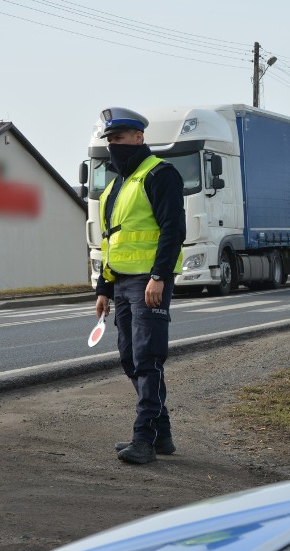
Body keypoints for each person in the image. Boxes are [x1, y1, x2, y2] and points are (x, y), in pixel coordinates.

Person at [94, 107, 186, 464]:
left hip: (150, 281)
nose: (115, 145)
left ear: (138, 137)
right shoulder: (115, 186)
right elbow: (110, 241)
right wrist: (103, 288)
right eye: (111, 140)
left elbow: (172, 230)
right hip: (121, 284)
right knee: (130, 358)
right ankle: (162, 436)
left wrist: (159, 276)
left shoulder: (160, 174)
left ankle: (144, 439)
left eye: (120, 138)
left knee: (148, 359)